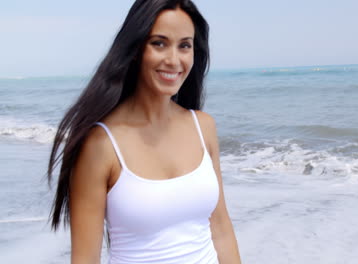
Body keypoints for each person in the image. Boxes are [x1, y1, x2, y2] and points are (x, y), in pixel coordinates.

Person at [47, 0, 241, 263]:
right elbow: (85, 258)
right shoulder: (100, 144)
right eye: (159, 43)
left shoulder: (203, 126)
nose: (174, 60)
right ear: (136, 48)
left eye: (184, 45)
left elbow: (221, 229)